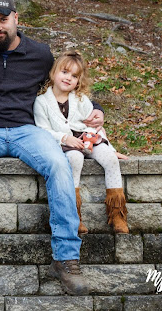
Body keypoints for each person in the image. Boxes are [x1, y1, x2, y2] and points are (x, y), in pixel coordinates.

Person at [0, 0, 103, 295]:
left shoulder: (39, 54)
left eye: (3, 20)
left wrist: (98, 107)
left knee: (58, 163)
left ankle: (67, 259)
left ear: (16, 18)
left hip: (28, 129)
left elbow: (65, 80)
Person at [33, 50, 129, 235]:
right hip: (66, 144)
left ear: (79, 81)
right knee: (74, 158)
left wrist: (110, 148)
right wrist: (65, 138)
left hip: (88, 140)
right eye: (65, 72)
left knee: (110, 159)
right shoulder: (42, 102)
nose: (69, 78)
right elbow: (42, 130)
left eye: (75, 76)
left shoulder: (81, 100)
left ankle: (117, 214)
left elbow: (96, 127)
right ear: (54, 73)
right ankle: (74, 214)